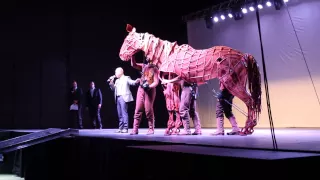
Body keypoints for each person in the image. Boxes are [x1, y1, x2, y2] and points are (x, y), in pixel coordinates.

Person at [130, 55, 159, 135]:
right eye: (147, 55)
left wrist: (149, 86)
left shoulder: (155, 69)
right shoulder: (144, 66)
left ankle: (151, 129)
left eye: (149, 55)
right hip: (141, 89)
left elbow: (156, 82)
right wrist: (133, 55)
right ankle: (135, 129)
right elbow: (133, 65)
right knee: (138, 110)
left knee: (148, 110)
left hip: (149, 90)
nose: (147, 57)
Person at [108, 67, 140, 133]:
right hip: (118, 97)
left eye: (116, 72)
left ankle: (125, 128)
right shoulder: (116, 80)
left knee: (124, 113)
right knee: (119, 114)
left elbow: (132, 82)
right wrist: (111, 83)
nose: (115, 74)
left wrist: (136, 81)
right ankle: (120, 128)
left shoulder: (126, 78)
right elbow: (114, 89)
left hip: (123, 97)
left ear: (121, 72)